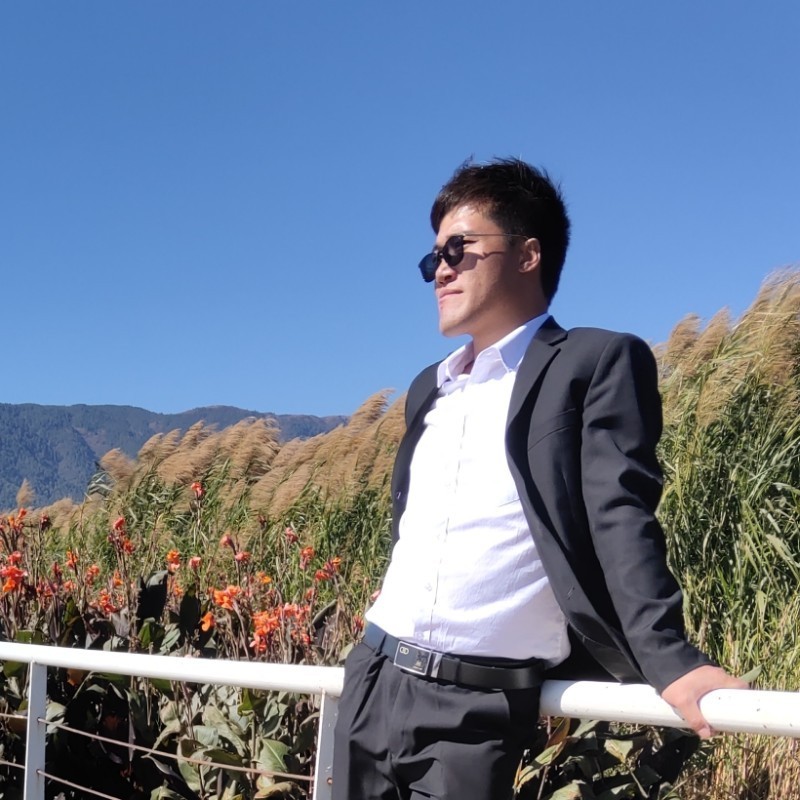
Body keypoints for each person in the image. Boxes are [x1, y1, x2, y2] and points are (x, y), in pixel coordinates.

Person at [332, 158, 746, 800]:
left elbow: (619, 513)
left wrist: (671, 659)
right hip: (373, 676)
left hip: (476, 706)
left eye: (458, 249)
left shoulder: (592, 362)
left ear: (528, 254)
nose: (440, 269)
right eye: (433, 257)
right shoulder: (428, 387)